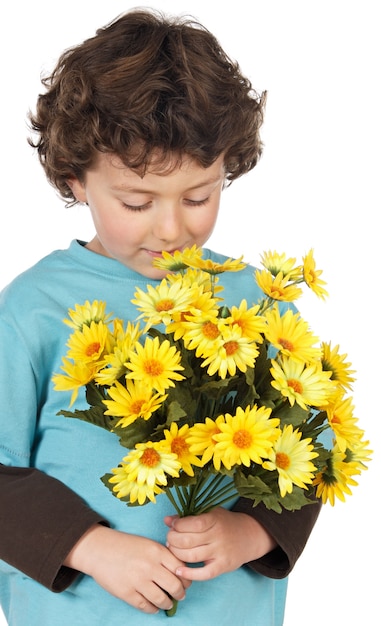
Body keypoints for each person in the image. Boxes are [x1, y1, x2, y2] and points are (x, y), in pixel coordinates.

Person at [0, 9, 321, 625]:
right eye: (136, 201)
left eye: (200, 196)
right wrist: (92, 548)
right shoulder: (34, 309)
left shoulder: (259, 301)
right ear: (76, 180)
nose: (172, 229)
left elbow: (312, 453)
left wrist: (248, 533)